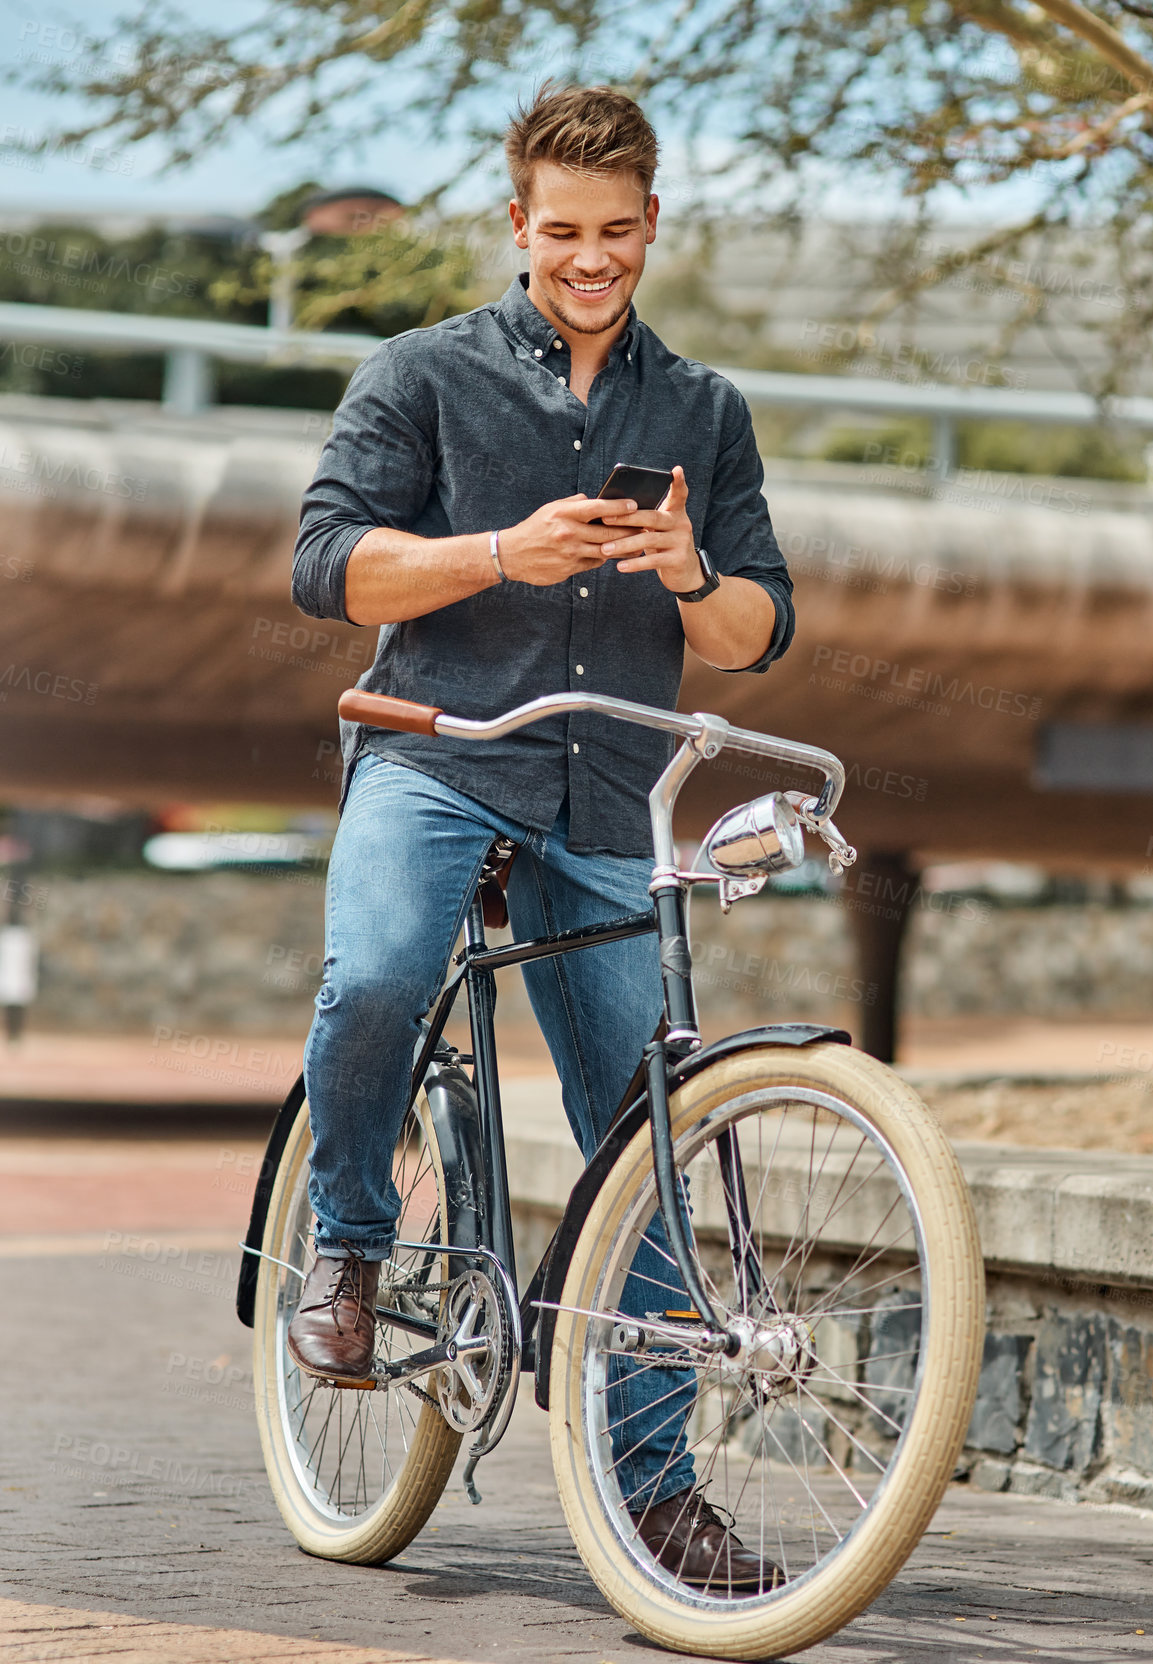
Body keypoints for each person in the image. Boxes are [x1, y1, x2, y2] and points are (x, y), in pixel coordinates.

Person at [288, 81, 794, 1587]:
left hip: (613, 794)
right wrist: (496, 555)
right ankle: (355, 1239)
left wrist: (692, 569)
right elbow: (330, 568)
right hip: (439, 760)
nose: (592, 258)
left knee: (649, 1137)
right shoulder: (419, 373)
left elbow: (760, 634)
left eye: (618, 232)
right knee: (379, 975)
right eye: (563, 232)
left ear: (652, 226)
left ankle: (654, 1489)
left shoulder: (702, 409)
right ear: (518, 225)